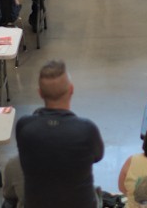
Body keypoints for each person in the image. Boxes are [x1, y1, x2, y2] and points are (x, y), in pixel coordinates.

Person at [16, 60, 104, 208]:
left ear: (40, 93)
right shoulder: (87, 130)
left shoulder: (24, 127)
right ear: (71, 89)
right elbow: (97, 157)